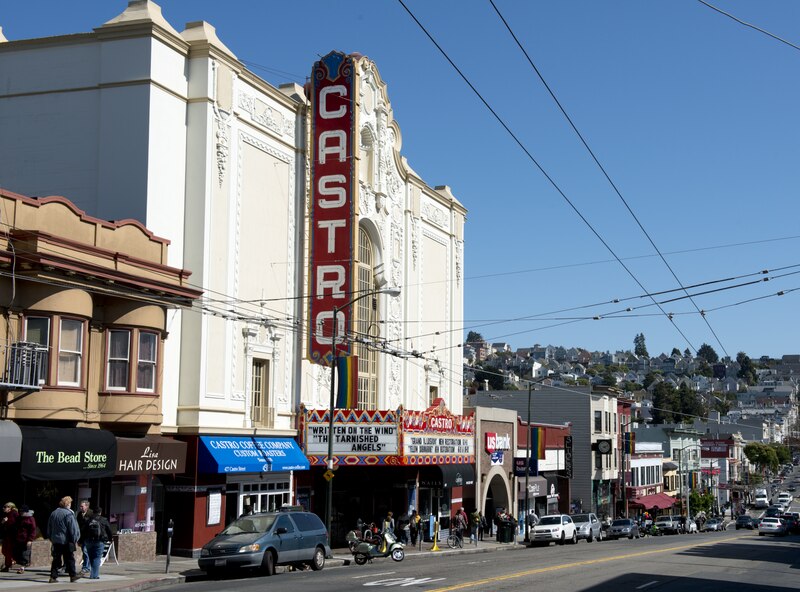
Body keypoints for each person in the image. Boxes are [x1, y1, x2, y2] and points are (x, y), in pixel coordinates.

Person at [47, 496, 81, 583]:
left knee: (56, 559)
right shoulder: (68, 514)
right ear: (67, 504)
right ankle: (72, 575)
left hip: (56, 540)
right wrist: (75, 539)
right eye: (70, 503)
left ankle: (53, 577)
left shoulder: (54, 513)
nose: (70, 505)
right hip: (66, 540)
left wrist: (51, 537)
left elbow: (49, 527)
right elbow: (73, 528)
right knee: (70, 558)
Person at [82, 507, 113, 580]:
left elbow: (83, 530)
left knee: (91, 557)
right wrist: (110, 539)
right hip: (99, 541)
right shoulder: (103, 520)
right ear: (100, 512)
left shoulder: (88, 520)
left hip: (88, 541)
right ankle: (94, 575)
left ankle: (92, 573)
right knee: (97, 558)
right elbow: (109, 530)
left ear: (93, 512)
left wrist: (81, 540)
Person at [13, 505, 36, 574]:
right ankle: (20, 565)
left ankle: (22, 567)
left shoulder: (30, 519)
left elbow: (33, 530)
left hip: (26, 539)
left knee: (25, 553)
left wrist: (30, 539)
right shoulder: (19, 518)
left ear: (26, 512)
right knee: (18, 553)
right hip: (19, 538)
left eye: (22, 511)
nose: (21, 513)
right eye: (20, 511)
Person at [1, 502, 19, 572]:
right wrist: (3, 522)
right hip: (6, 536)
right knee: (4, 551)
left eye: (5, 507)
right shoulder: (6, 515)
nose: (3, 508)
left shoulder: (14, 513)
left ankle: (8, 565)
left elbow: (17, 523)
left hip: (12, 536)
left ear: (10, 508)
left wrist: (7, 522)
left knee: (8, 551)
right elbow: (3, 526)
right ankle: (11, 562)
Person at [75, 499, 91, 575]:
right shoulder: (79, 514)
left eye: (82, 506)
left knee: (85, 551)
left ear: (87, 506)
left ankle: (86, 567)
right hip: (82, 537)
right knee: (85, 552)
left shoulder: (91, 514)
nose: (81, 508)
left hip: (89, 537)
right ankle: (87, 567)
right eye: (80, 506)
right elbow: (77, 526)